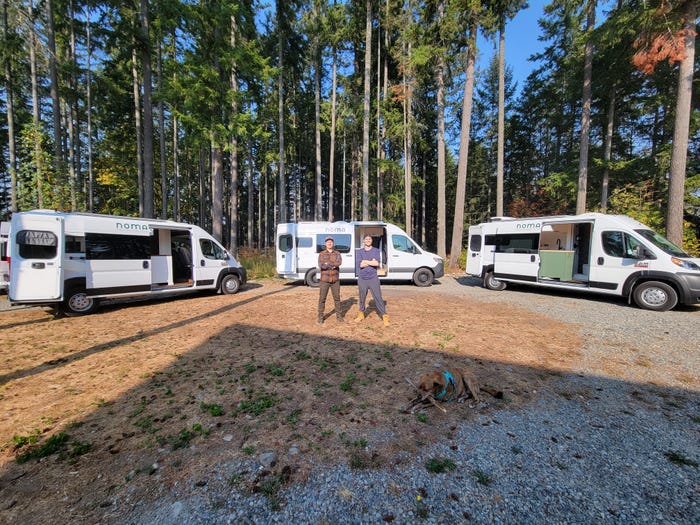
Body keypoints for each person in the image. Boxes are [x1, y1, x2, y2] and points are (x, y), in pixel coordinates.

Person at [354, 234, 389, 326]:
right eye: (366, 239)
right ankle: (361, 315)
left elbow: (376, 263)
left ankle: (384, 316)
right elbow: (360, 265)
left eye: (369, 239)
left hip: (373, 278)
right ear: (363, 241)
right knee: (362, 298)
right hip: (362, 278)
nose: (368, 240)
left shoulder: (376, 251)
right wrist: (371, 262)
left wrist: (365, 261)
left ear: (371, 241)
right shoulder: (359, 252)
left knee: (378, 297)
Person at [317, 236, 344, 324]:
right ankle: (320, 316)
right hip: (324, 280)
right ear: (325, 244)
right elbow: (321, 265)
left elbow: (339, 262)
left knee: (337, 298)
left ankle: (339, 316)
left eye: (331, 242)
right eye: (328, 242)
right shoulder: (321, 253)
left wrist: (328, 264)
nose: (329, 243)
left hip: (335, 280)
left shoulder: (337, 253)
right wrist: (332, 265)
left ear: (333, 243)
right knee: (322, 298)